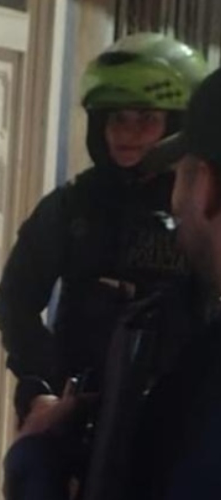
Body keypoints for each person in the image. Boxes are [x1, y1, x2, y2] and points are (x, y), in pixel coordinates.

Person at [0, 33, 207, 500]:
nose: (128, 133)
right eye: (117, 119)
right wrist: (42, 387)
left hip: (176, 418)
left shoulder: (200, 214)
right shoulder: (72, 207)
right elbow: (15, 301)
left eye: (146, 119)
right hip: (78, 416)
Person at [126, 67, 221, 500]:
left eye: (180, 174)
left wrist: (35, 472)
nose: (174, 200)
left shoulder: (201, 390)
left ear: (205, 185)